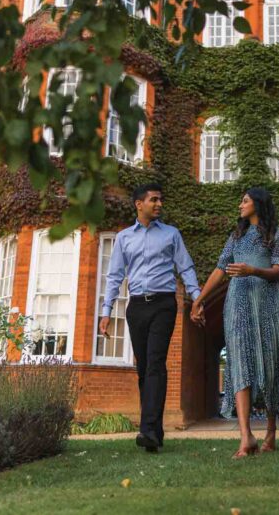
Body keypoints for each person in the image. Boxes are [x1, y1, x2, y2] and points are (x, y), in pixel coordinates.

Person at [191, 187, 279, 458]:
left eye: (244, 201)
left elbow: (278, 271)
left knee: (270, 364)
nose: (240, 205)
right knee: (240, 362)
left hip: (268, 304)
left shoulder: (276, 235)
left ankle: (270, 430)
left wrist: (252, 270)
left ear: (258, 203)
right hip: (238, 303)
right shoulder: (236, 237)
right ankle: (246, 437)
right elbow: (220, 269)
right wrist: (199, 300)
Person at [100, 183, 200, 453]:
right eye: (154, 200)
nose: (159, 204)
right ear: (138, 204)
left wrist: (197, 297)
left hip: (164, 304)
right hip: (136, 307)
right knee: (143, 367)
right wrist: (106, 311)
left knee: (155, 362)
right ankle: (154, 433)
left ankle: (146, 428)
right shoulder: (124, 238)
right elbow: (114, 276)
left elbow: (186, 267)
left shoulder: (171, 235)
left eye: (160, 200)